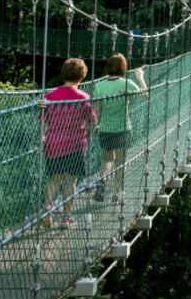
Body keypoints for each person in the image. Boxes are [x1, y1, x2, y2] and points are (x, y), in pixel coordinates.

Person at [38, 58, 95, 229]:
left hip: (54, 144)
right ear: (81, 76)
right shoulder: (83, 97)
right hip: (75, 144)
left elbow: (42, 122)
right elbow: (91, 122)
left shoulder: (50, 96)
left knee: (54, 179)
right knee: (70, 182)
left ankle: (47, 209)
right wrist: (88, 136)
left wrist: (42, 138)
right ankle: (66, 218)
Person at [92, 53, 146, 204]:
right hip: (123, 129)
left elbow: (95, 109)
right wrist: (140, 77)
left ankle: (101, 181)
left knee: (106, 160)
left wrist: (96, 126)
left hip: (105, 129)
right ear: (123, 68)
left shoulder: (99, 85)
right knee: (120, 164)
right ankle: (117, 194)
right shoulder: (126, 83)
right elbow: (145, 95)